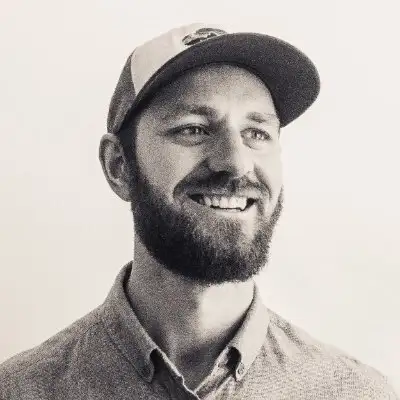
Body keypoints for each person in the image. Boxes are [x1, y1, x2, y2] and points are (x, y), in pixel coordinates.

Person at [0, 23, 398, 400]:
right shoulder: (20, 390)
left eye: (256, 133)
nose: (236, 163)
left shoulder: (357, 393)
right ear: (119, 166)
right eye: (193, 129)